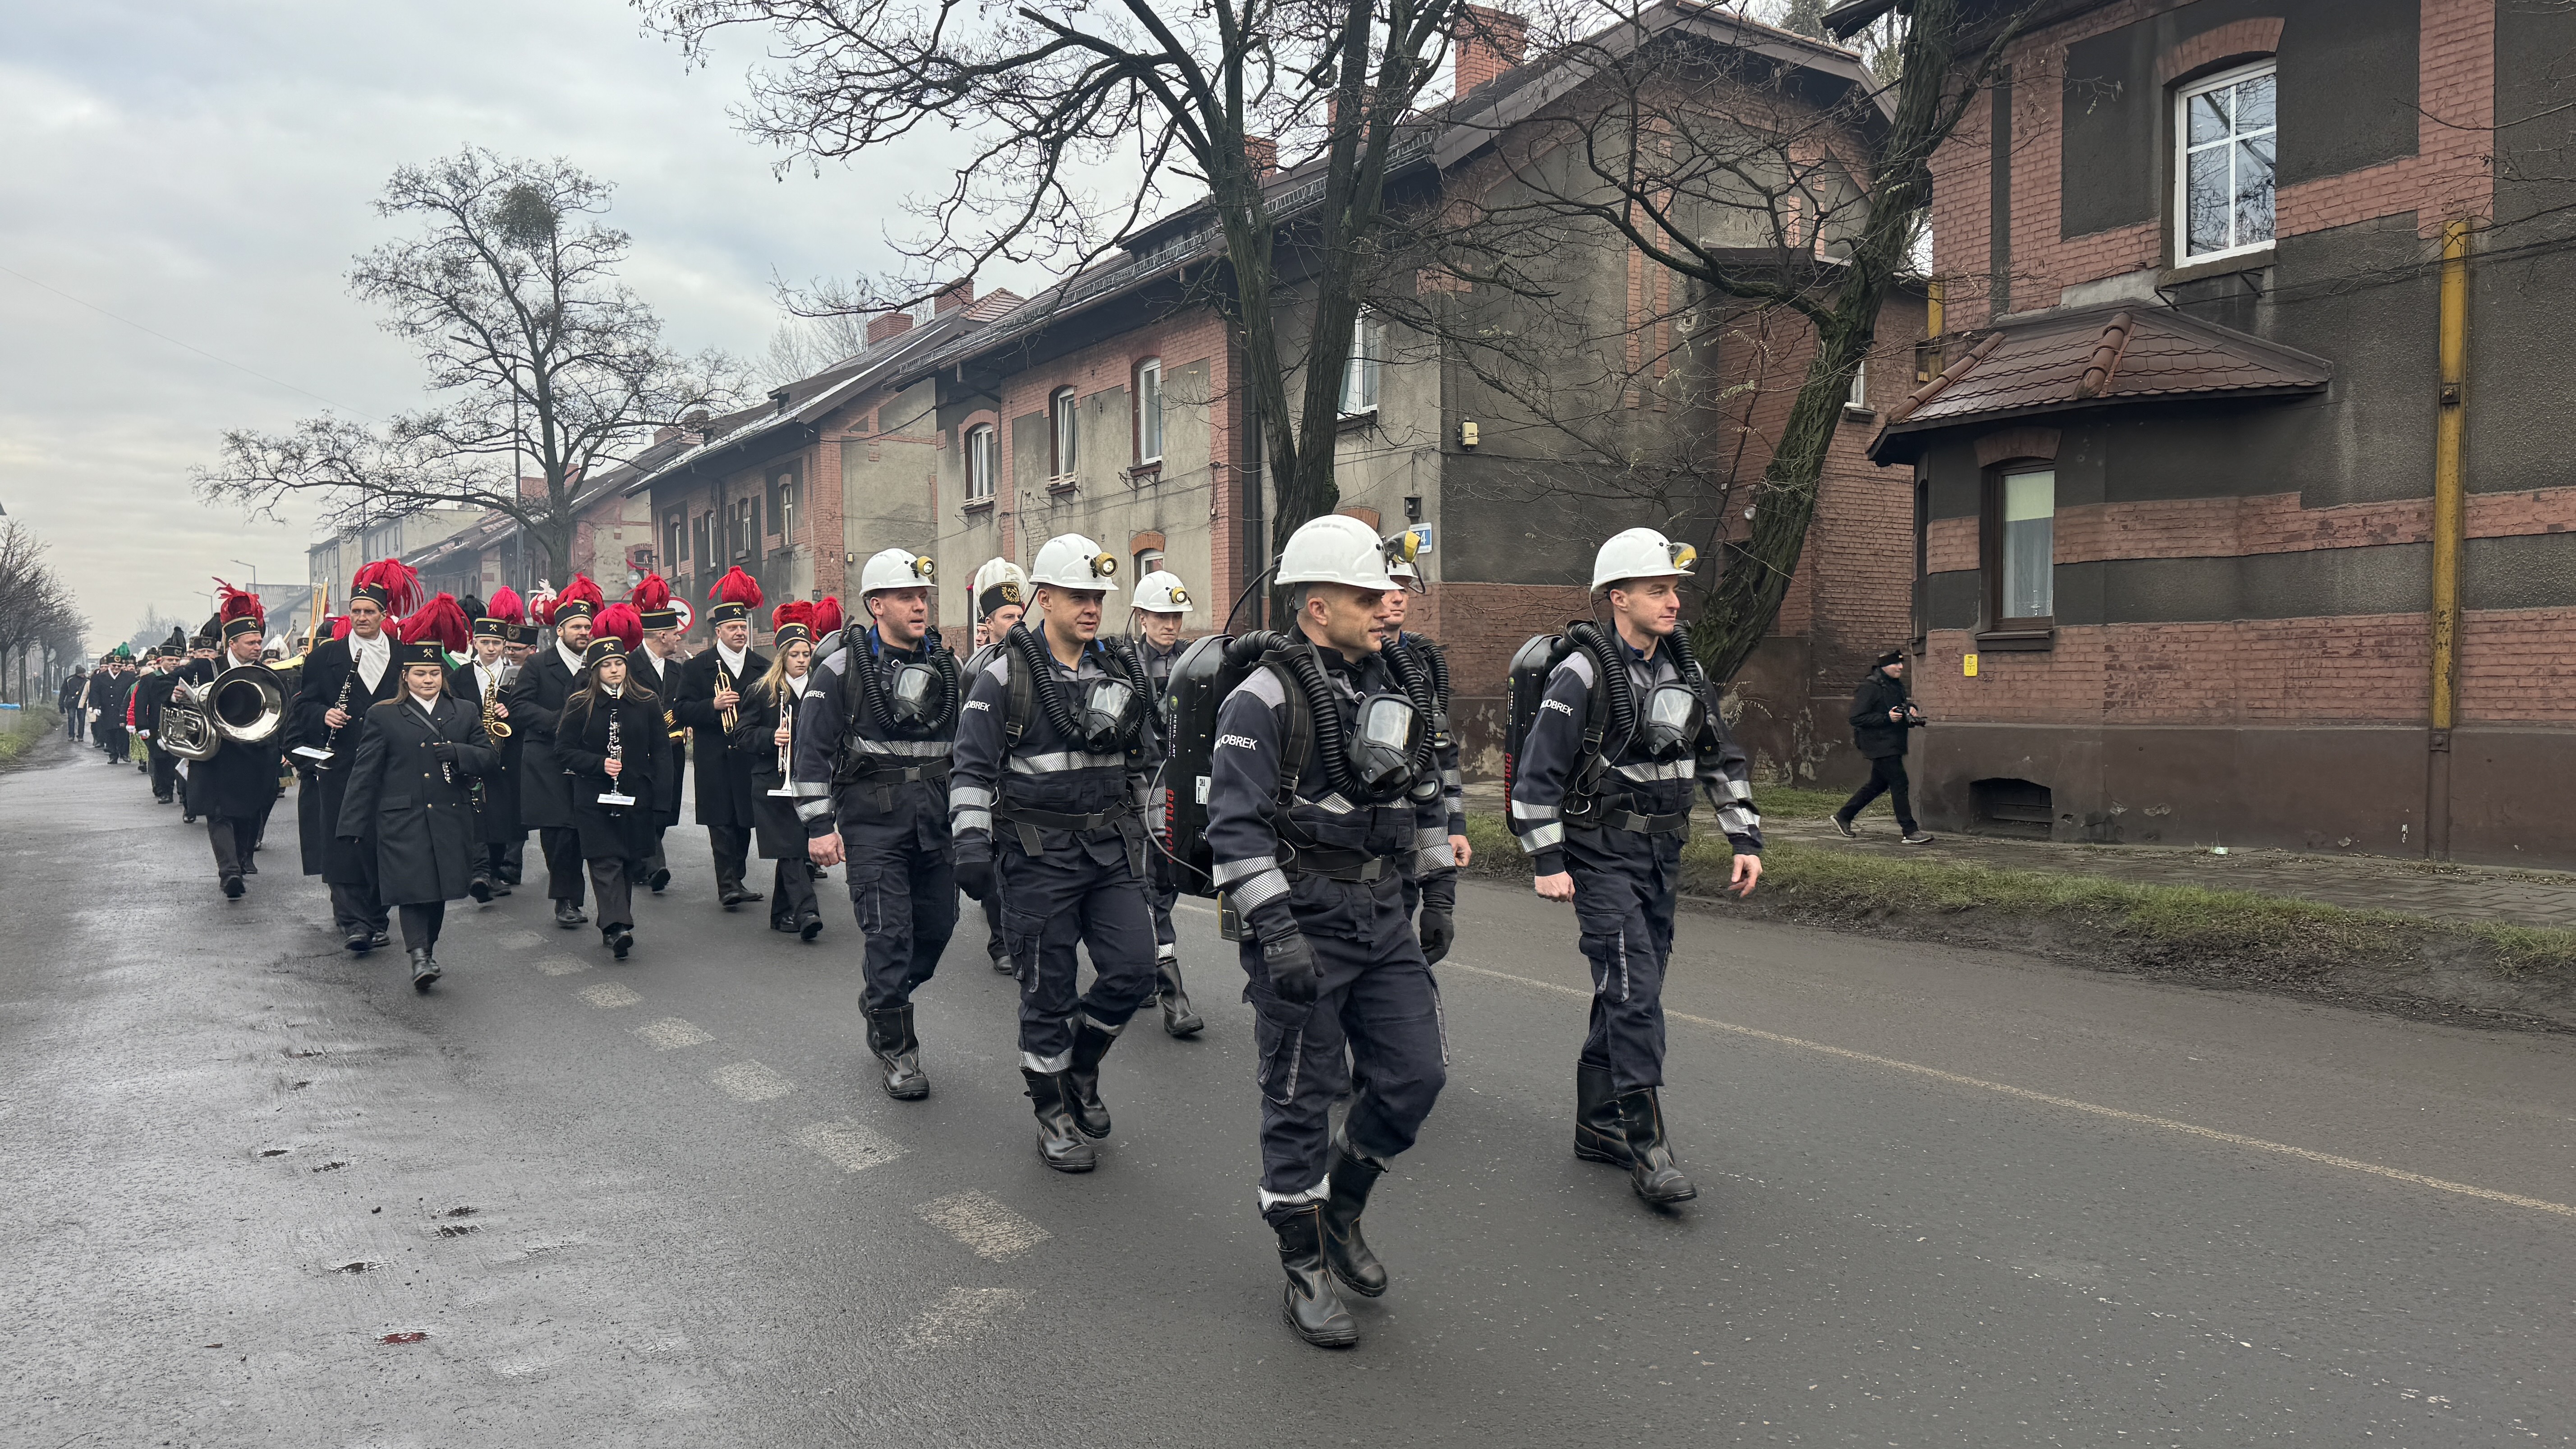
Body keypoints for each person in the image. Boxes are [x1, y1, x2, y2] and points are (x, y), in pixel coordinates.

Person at [1200, 515, 1458, 1349]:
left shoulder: (1402, 684)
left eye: (1390, 591)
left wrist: (1438, 891)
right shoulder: (1263, 694)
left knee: (1416, 1076)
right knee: (1298, 1097)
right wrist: (1274, 930)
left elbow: (1423, 796)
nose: (1389, 605)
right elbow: (1233, 828)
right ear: (1316, 605)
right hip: (1302, 918)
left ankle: (1342, 1206)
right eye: (1366, 594)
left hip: (1383, 916)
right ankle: (1304, 1262)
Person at [1509, 527, 1764, 1211]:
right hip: (1600, 853)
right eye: (1658, 589)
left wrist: (1745, 839)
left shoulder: (1686, 670)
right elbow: (1537, 775)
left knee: (1632, 983)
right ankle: (1649, 1147)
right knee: (1634, 988)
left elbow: (1720, 759)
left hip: (1662, 855)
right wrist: (1547, 858)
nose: (1673, 601)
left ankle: (1597, 1123)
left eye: (1675, 589)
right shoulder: (1583, 673)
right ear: (1617, 597)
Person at [950, 535, 1159, 1172]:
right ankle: (1052, 1115)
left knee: (1135, 969)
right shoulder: (1004, 673)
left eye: (1098, 596)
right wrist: (970, 843)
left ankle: (1082, 1067)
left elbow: (1146, 761)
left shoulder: (1120, 669)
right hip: (1038, 859)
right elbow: (970, 769)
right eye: (1078, 595)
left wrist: (1165, 834)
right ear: (1044, 598)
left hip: (1110, 851)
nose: (1092, 607)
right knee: (1049, 992)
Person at [792, 548, 961, 1099]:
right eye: (908, 597)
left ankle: (883, 997)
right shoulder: (839, 670)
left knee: (936, 929)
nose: (920, 606)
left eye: (924, 597)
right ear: (876, 604)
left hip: (936, 822)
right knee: (889, 933)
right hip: (872, 825)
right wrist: (819, 828)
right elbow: (811, 755)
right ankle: (897, 1046)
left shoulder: (949, 668)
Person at [337, 596, 493, 990]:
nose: (428, 680)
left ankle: (428, 948)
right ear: (405, 677)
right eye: (420, 673)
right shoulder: (384, 714)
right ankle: (419, 957)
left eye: (434, 673)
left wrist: (458, 753)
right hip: (400, 817)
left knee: (437, 891)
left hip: (448, 814)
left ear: (443, 676)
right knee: (412, 889)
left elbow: (489, 758)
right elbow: (365, 772)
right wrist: (351, 824)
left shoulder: (464, 712)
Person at [291, 561, 420, 953]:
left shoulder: (405, 657)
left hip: (390, 766)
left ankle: (377, 917)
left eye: (369, 612)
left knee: (383, 841)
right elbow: (304, 706)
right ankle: (353, 921)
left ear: (384, 616)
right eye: (356, 612)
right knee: (343, 839)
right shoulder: (324, 657)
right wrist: (323, 714)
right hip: (341, 765)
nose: (362, 618)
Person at [555, 605, 659, 959]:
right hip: (593, 796)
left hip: (635, 795)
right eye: (606, 665)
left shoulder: (646, 702)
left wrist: (659, 800)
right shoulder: (579, 704)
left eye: (619, 664)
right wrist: (599, 764)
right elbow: (564, 751)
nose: (614, 670)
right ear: (595, 670)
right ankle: (617, 927)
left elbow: (661, 754)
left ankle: (615, 919)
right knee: (605, 860)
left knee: (628, 861)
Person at [1127, 569, 1204, 1037]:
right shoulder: (1123, 663)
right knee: (1150, 889)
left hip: (1179, 791)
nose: (1170, 624)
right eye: (1161, 615)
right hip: (1138, 791)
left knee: (1168, 887)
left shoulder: (1193, 663)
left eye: (1176, 615)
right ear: (1141, 617)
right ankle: (1173, 993)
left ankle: (1143, 967)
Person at [507, 576, 606, 927]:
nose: (584, 632)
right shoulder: (538, 665)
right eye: (576, 627)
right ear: (560, 630)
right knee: (559, 833)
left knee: (582, 830)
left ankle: (583, 898)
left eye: (587, 626)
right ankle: (566, 900)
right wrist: (558, 721)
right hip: (547, 761)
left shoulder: (598, 664)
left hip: (586, 760)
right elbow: (519, 708)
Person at [675, 567, 771, 911]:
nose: (740, 633)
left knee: (744, 821)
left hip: (748, 757)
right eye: (733, 628)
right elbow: (682, 710)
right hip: (714, 755)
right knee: (721, 823)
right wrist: (712, 706)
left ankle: (738, 877)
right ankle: (727, 884)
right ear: (719, 631)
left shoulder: (762, 667)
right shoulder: (698, 667)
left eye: (743, 627)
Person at [182, 587, 286, 897]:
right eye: (252, 643)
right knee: (219, 813)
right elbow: (175, 688)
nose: (258, 647)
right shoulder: (205, 668)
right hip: (218, 755)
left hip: (254, 755)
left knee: (248, 813)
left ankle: (240, 861)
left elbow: (279, 712)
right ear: (233, 643)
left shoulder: (266, 673)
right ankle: (229, 873)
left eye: (259, 642)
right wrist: (181, 696)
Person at [736, 601, 826, 937]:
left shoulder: (821, 690)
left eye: (806, 653)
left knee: (796, 849)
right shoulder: (761, 691)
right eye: (796, 654)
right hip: (772, 782)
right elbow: (741, 734)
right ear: (782, 657)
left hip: (809, 781)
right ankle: (807, 912)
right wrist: (770, 735)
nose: (803, 660)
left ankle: (780, 913)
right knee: (791, 848)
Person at [963, 557, 1030, 975]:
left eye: (1020, 613)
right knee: (994, 866)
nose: (1017, 622)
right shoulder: (979, 668)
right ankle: (1000, 939)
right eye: (1008, 616)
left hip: (1027, 786)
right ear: (988, 623)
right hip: (994, 783)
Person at [449, 588, 528, 897]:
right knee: (474, 812)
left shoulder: (517, 676)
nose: (492, 648)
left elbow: (528, 711)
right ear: (475, 643)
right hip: (473, 750)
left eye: (497, 643)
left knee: (501, 813)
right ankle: (479, 872)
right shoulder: (460, 676)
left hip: (506, 753)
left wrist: (513, 712)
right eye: (486, 642)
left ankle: (494, 870)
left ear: (505, 645)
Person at [626, 575, 688, 894]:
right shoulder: (627, 665)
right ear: (662, 634)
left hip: (672, 751)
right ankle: (655, 867)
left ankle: (640, 863)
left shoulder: (679, 670)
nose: (679, 638)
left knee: (664, 810)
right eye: (675, 633)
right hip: (640, 752)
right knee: (644, 808)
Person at [1832, 650, 1932, 844]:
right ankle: (1910, 831)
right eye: (1896, 664)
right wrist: (1887, 718)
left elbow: (1898, 706)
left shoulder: (1895, 685)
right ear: (1883, 666)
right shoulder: (1870, 687)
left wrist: (1911, 708)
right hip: (1878, 744)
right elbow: (1856, 718)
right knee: (1899, 782)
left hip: (1892, 742)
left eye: (1901, 664)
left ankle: (1844, 816)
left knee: (1878, 784)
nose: (1901, 668)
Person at [59, 666, 87, 741]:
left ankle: (79, 736)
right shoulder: (70, 680)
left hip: (80, 702)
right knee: (73, 719)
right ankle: (73, 735)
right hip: (73, 703)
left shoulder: (86, 681)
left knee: (79, 719)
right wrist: (60, 703)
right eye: (81, 674)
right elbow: (63, 692)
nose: (83, 675)